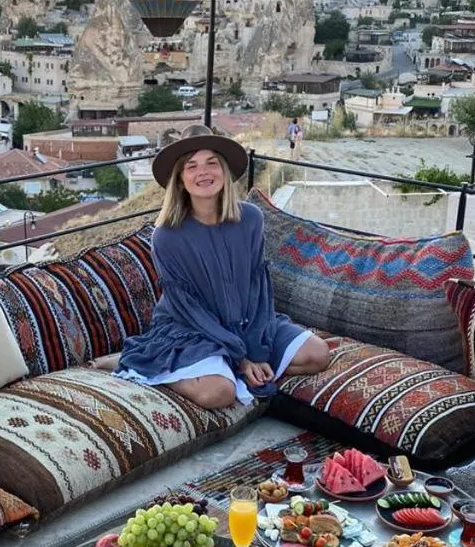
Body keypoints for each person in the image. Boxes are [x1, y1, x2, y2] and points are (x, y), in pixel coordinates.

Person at [114, 125, 331, 410]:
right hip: (193, 328)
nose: (203, 172)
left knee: (318, 354)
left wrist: (257, 349)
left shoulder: (251, 219)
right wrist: (241, 360)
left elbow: (258, 286)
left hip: (247, 321)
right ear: (180, 180)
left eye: (211, 163)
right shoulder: (167, 236)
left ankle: (227, 367)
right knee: (219, 393)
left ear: (224, 171)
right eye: (191, 166)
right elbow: (187, 307)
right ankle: (148, 367)